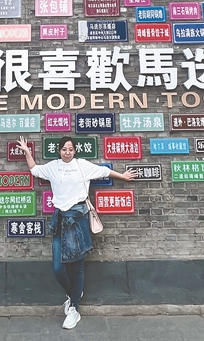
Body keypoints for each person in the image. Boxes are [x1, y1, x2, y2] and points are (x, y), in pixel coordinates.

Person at [15, 135, 136, 329]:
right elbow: (35, 170)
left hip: (78, 219)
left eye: (71, 149)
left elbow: (104, 172)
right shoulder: (53, 167)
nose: (67, 153)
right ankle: (73, 295)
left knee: (78, 267)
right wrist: (27, 152)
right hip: (60, 219)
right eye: (64, 149)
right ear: (59, 151)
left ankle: (74, 309)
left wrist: (123, 176)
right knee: (58, 268)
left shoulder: (82, 165)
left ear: (75, 151)